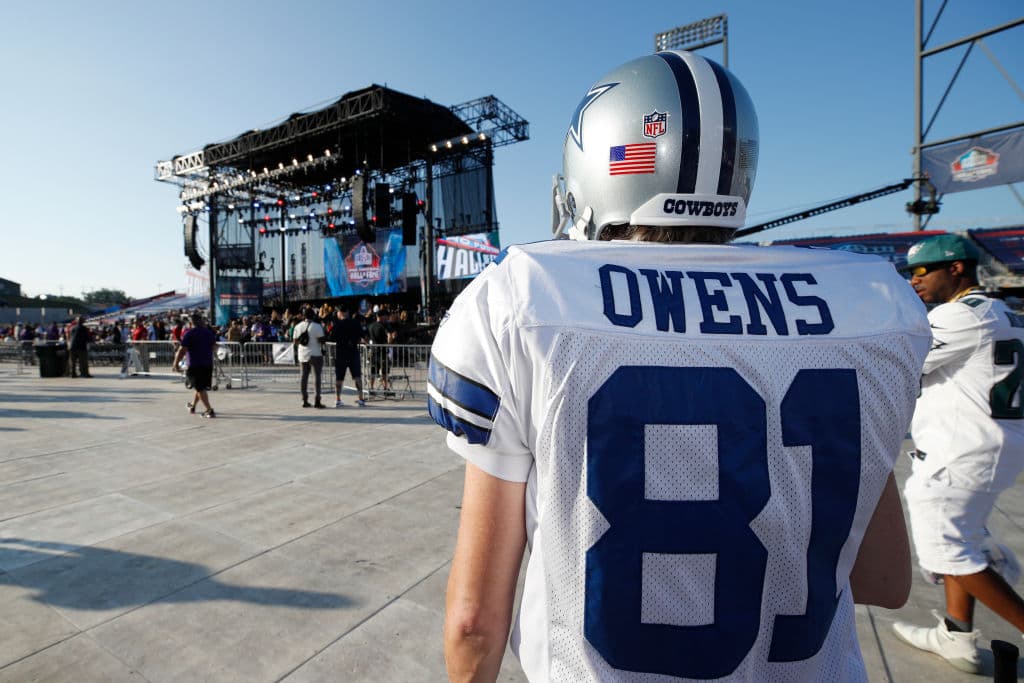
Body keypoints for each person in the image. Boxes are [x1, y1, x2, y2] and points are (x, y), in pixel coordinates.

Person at [431, 50, 932, 682]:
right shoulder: (871, 307)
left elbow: (474, 622)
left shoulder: (523, 299)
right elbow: (885, 580)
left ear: (600, 165)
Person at [891, 233, 1024, 673]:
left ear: (957, 268)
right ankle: (956, 634)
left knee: (947, 551)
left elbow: (901, 363)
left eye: (922, 272)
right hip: (990, 442)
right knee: (959, 541)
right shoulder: (1003, 310)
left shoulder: (961, 315)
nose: (914, 281)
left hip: (962, 451)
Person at [172, 313, 217, 418]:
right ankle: (192, 405)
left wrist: (175, 364)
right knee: (200, 387)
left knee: (199, 388)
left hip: (195, 364)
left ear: (191, 322)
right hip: (207, 364)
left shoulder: (189, 333)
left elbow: (182, 350)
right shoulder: (208, 332)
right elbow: (214, 346)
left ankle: (209, 410)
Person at [328, 307, 366, 407]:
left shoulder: (337, 324)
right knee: (357, 376)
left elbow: (331, 338)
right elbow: (363, 336)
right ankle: (361, 398)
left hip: (341, 353)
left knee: (339, 378)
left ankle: (338, 399)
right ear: (348, 312)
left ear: (340, 313)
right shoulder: (356, 323)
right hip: (353, 352)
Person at [293, 308, 327, 408]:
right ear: (313, 316)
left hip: (302, 355)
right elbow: (322, 340)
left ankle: (304, 400)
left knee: (304, 377)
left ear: (303, 316)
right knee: (316, 377)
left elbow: (295, 342)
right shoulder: (317, 326)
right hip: (315, 354)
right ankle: (317, 401)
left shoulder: (298, 326)